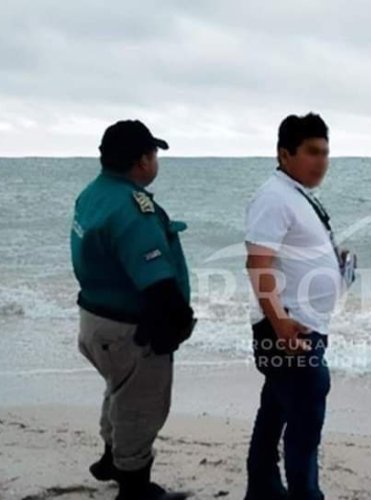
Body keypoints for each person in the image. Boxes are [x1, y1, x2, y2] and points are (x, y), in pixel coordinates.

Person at [70, 120, 195, 500]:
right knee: (142, 407)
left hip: (96, 321)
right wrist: (177, 321)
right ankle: (135, 487)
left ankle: (112, 457)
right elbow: (155, 279)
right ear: (141, 161)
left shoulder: (92, 194)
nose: (155, 161)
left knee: (119, 391)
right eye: (153, 153)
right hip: (128, 329)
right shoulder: (131, 208)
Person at [243, 113, 356, 500]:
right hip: (289, 328)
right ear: (284, 153)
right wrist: (281, 325)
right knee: (306, 417)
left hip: (299, 324)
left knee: (275, 409)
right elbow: (257, 265)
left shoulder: (297, 195)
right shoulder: (273, 197)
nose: (321, 160)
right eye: (312, 152)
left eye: (325, 152)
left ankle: (261, 489)